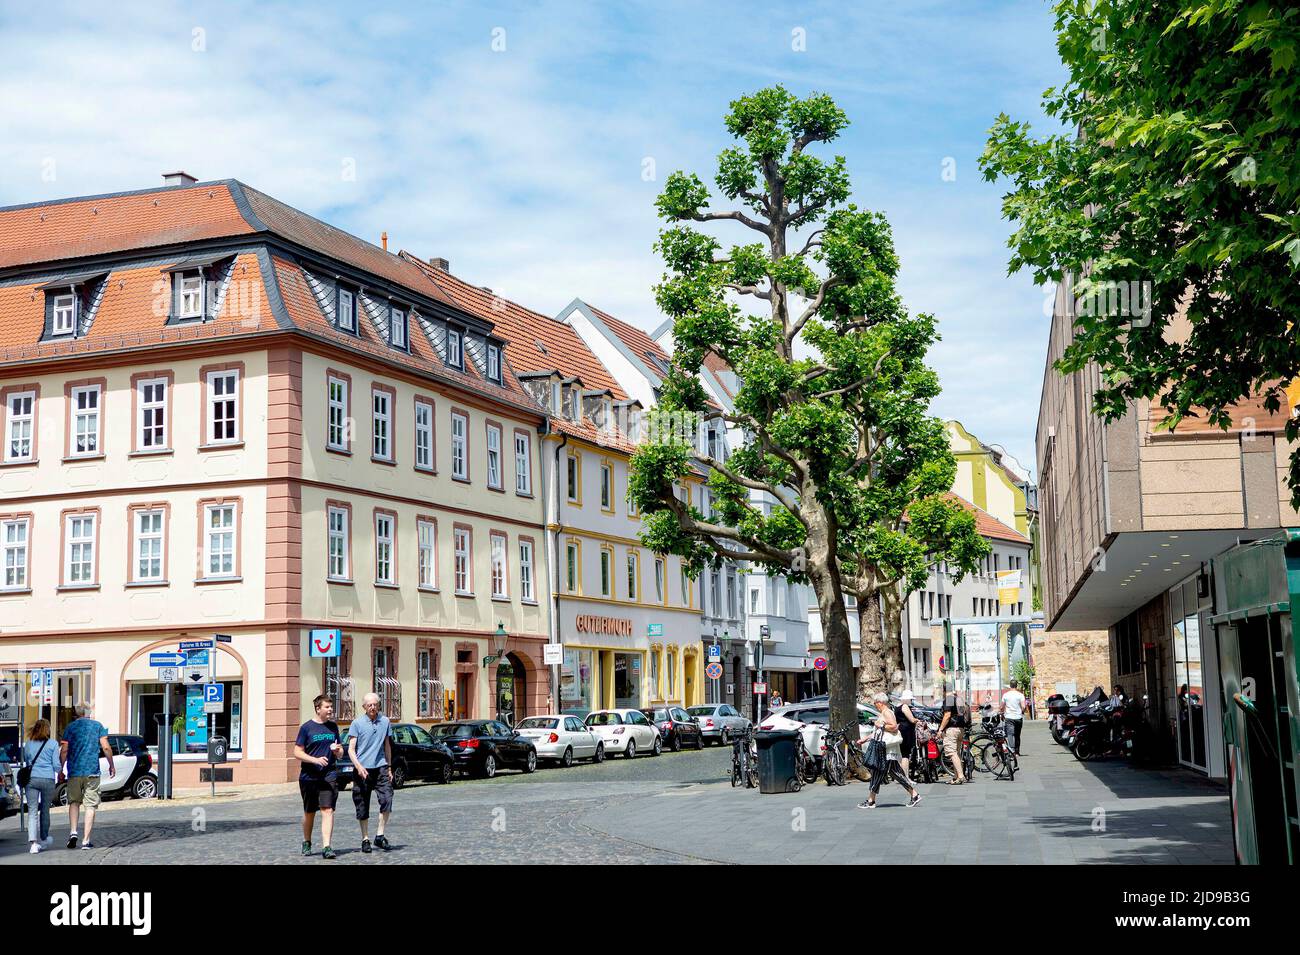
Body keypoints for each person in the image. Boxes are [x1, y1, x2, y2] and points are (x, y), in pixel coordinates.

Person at [295, 694, 345, 859]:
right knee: (310, 812)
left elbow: (340, 752)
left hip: (328, 775)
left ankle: (327, 846)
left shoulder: (333, 727)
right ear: (318, 709)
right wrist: (314, 760)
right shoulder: (306, 728)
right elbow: (297, 752)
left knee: (327, 810)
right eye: (327, 707)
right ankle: (307, 841)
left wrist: (338, 752)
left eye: (331, 707)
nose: (330, 710)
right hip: (309, 776)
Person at [58, 704, 114, 849]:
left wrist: (60, 769)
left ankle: (73, 832)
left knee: (74, 802)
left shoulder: (70, 728)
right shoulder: (97, 726)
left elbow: (64, 750)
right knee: (90, 805)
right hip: (92, 772)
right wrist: (111, 764)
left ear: (76, 713)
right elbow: (106, 747)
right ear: (89, 712)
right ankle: (85, 840)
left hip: (74, 771)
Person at [348, 692, 395, 854]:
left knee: (387, 798)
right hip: (363, 769)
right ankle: (365, 838)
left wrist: (389, 767)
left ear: (378, 705)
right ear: (364, 707)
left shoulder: (385, 721)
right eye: (369, 705)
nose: (372, 707)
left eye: (375, 704)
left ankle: (380, 835)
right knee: (362, 804)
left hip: (381, 767)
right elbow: (351, 749)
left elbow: (387, 745)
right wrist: (359, 766)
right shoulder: (357, 723)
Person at [858, 692, 922, 809]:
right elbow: (878, 731)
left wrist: (881, 725)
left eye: (875, 703)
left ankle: (871, 801)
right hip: (886, 750)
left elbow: (893, 727)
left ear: (880, 703)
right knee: (893, 773)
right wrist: (865, 739)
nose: (875, 705)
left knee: (880, 772)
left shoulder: (887, 712)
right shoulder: (885, 712)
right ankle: (914, 795)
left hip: (887, 750)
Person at [22, 719, 60, 853]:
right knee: (45, 810)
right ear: (47, 729)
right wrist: (60, 771)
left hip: (32, 779)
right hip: (48, 779)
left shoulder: (28, 744)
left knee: (32, 811)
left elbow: (27, 760)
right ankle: (44, 839)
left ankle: (33, 844)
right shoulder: (53, 744)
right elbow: (56, 765)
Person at [936, 681, 968, 784]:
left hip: (952, 729)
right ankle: (956, 777)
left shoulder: (948, 699)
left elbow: (947, 715)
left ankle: (961, 776)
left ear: (943, 690)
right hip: (961, 729)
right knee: (956, 753)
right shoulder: (958, 699)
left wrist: (940, 729)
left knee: (952, 753)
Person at [895, 689, 919, 781]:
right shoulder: (905, 707)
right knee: (905, 755)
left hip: (900, 730)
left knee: (901, 754)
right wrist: (918, 720)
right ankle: (905, 776)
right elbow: (912, 719)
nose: (911, 701)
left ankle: (900, 775)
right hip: (906, 731)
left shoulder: (897, 707)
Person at [1000, 680, 1027, 756]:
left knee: (1010, 734)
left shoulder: (1005, 695)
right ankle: (1017, 752)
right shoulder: (1020, 695)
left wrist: (1002, 714)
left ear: (1010, 685)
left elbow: (1002, 707)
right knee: (1017, 735)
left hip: (1009, 717)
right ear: (1016, 685)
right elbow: (1023, 707)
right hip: (1018, 717)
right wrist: (1022, 712)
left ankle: (1012, 751)